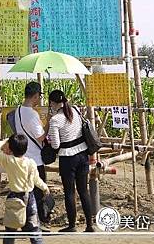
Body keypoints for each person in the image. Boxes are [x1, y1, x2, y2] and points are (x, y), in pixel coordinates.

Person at [47, 89, 96, 233]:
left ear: (53, 103)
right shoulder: (74, 109)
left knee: (69, 192)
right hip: (83, 154)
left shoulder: (55, 120)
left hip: (68, 158)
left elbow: (55, 145)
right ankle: (89, 225)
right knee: (83, 191)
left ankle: (72, 225)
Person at [0, 134, 48, 244]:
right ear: (26, 148)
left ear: (10, 148)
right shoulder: (31, 163)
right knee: (34, 227)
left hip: (14, 197)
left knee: (10, 228)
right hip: (29, 197)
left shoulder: (9, 161)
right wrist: (45, 188)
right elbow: (36, 180)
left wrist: (5, 140)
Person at [14, 81, 49, 225]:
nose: (39, 99)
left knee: (25, 192)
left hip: (23, 158)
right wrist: (48, 123)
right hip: (35, 159)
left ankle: (26, 221)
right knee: (38, 192)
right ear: (35, 96)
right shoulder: (32, 114)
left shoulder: (18, 110)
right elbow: (40, 137)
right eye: (39, 96)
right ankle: (38, 221)